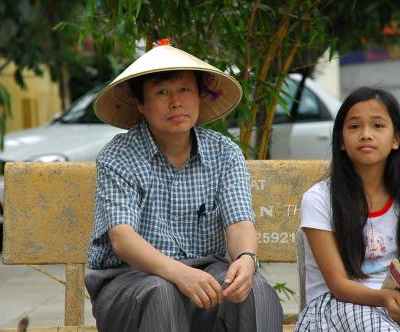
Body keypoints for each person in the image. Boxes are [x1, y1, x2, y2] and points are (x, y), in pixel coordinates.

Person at [85, 39, 282, 332]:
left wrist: (246, 259)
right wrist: (179, 274)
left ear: (199, 97)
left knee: (256, 289)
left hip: (206, 281)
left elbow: (240, 223)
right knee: (162, 293)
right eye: (162, 92)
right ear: (140, 103)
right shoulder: (119, 156)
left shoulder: (224, 153)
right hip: (130, 284)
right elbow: (122, 238)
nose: (176, 102)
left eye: (184, 90)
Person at [294, 87, 400, 331]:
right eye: (354, 126)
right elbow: (338, 284)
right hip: (335, 305)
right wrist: (383, 299)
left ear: (396, 139)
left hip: (395, 302)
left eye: (377, 125)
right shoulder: (320, 199)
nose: (365, 134)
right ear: (341, 141)